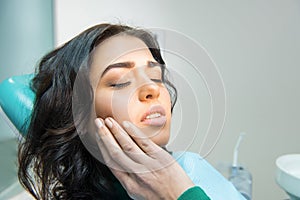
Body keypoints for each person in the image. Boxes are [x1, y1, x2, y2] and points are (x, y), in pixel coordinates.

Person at [18, 23, 245, 200]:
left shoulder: (192, 171)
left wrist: (178, 194)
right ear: (79, 117)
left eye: (156, 77)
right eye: (119, 82)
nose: (152, 89)